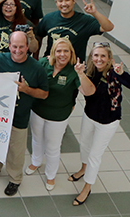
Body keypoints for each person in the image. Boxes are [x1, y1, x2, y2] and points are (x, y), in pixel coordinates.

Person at [0, 32, 49, 196]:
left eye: (21, 47)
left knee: (16, 150)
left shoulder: (36, 68)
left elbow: (44, 94)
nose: (17, 50)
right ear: (9, 46)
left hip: (19, 117)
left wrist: (26, 89)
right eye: (14, 46)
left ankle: (15, 179)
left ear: (27, 47)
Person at [69, 42, 130, 206]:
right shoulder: (87, 71)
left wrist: (122, 74)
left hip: (108, 121)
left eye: (103, 56)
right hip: (90, 115)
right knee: (85, 144)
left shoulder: (115, 73)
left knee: (95, 155)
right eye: (96, 55)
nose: (99, 59)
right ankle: (83, 168)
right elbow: (79, 89)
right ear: (91, 57)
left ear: (109, 58)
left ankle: (87, 187)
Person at [25, 38, 93, 191]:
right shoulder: (44, 63)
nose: (62, 54)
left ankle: (50, 175)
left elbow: (88, 92)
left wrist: (81, 74)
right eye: (59, 51)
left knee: (53, 147)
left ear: (71, 53)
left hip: (58, 116)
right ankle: (36, 161)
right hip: (37, 111)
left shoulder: (74, 70)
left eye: (66, 51)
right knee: (36, 138)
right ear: (53, 52)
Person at [36, 0, 114, 61]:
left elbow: (108, 27)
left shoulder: (84, 20)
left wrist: (94, 13)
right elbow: (38, 36)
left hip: (75, 66)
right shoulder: (48, 18)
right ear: (56, 2)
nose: (64, 4)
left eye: (67, 0)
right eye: (60, 0)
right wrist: (36, 57)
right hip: (51, 63)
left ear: (73, 0)